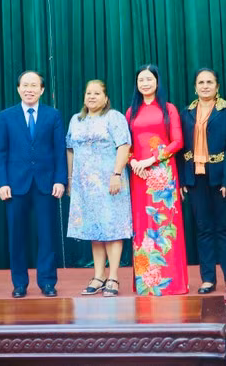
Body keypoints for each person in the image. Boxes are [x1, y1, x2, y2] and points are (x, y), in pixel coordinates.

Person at [0, 71, 67, 298]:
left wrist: (60, 179)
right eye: (25, 85)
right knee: (17, 235)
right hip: (15, 185)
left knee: (47, 234)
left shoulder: (52, 115)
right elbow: (0, 153)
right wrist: (3, 183)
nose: (29, 89)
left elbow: (59, 151)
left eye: (34, 85)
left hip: (46, 183)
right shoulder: (6, 116)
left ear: (42, 90)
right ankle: (19, 283)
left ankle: (47, 282)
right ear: (18, 89)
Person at [127, 64, 189, 296]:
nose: (145, 83)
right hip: (139, 176)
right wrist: (133, 161)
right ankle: (147, 283)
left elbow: (177, 142)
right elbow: (128, 145)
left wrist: (151, 160)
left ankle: (172, 283)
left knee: (166, 226)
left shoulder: (168, 109)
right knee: (142, 225)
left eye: (149, 79)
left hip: (163, 175)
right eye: (141, 80)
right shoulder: (130, 112)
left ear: (157, 82)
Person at [66, 80, 132, 297]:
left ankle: (113, 276)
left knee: (112, 230)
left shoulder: (114, 117)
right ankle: (98, 275)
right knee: (94, 231)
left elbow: (124, 145)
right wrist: (70, 178)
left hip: (110, 182)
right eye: (88, 93)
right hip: (85, 186)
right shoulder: (76, 120)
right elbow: (70, 150)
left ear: (105, 98)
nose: (91, 97)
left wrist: (116, 174)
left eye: (96, 93)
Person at [179, 68, 226, 294]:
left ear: (218, 86)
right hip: (196, 178)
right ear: (195, 87)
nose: (205, 86)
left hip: (222, 178)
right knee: (203, 229)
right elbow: (181, 147)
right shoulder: (186, 112)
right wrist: (184, 178)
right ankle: (207, 279)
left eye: (210, 82)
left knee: (225, 228)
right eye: (201, 82)